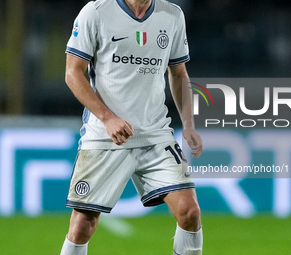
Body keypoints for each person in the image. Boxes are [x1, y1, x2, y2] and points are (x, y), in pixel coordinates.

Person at [60, 0, 203, 254]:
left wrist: (189, 125)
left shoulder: (172, 15)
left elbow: (179, 73)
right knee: (82, 224)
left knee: (190, 212)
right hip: (105, 136)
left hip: (155, 134)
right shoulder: (96, 12)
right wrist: (107, 118)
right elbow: (73, 73)